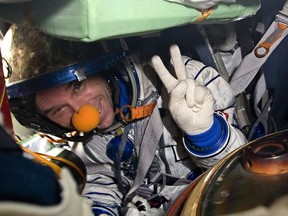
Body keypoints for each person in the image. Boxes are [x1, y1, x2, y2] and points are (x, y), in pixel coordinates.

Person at [1, 24, 247, 215]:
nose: (79, 112)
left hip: (208, 197)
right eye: (57, 110)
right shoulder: (82, 139)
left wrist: (205, 133)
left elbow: (242, 171)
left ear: (104, 70)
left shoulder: (185, 84)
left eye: (77, 86)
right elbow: (102, 179)